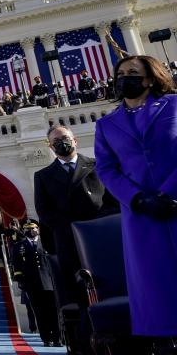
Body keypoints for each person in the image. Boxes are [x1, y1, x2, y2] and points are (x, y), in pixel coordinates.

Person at [94, 54, 177, 338]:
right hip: (142, 215)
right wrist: (138, 199)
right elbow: (106, 170)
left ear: (149, 79)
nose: (123, 78)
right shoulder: (106, 125)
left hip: (174, 202)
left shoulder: (173, 105)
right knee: (156, 284)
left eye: (131, 72)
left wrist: (167, 193)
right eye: (119, 74)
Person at [34, 125, 118, 307]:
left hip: (102, 237)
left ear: (75, 140)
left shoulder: (97, 166)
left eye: (65, 138)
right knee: (81, 296)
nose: (62, 143)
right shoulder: (43, 176)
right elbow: (43, 211)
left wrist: (98, 224)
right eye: (56, 141)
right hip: (70, 242)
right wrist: (72, 227)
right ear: (50, 147)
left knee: (113, 288)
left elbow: (113, 201)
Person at [12, 220, 61, 347]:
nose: (31, 231)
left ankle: (57, 338)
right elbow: (16, 266)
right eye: (27, 229)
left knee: (53, 311)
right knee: (39, 312)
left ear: (38, 229)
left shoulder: (47, 243)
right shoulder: (19, 246)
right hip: (32, 285)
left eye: (33, 228)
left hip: (49, 282)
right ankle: (46, 339)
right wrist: (21, 281)